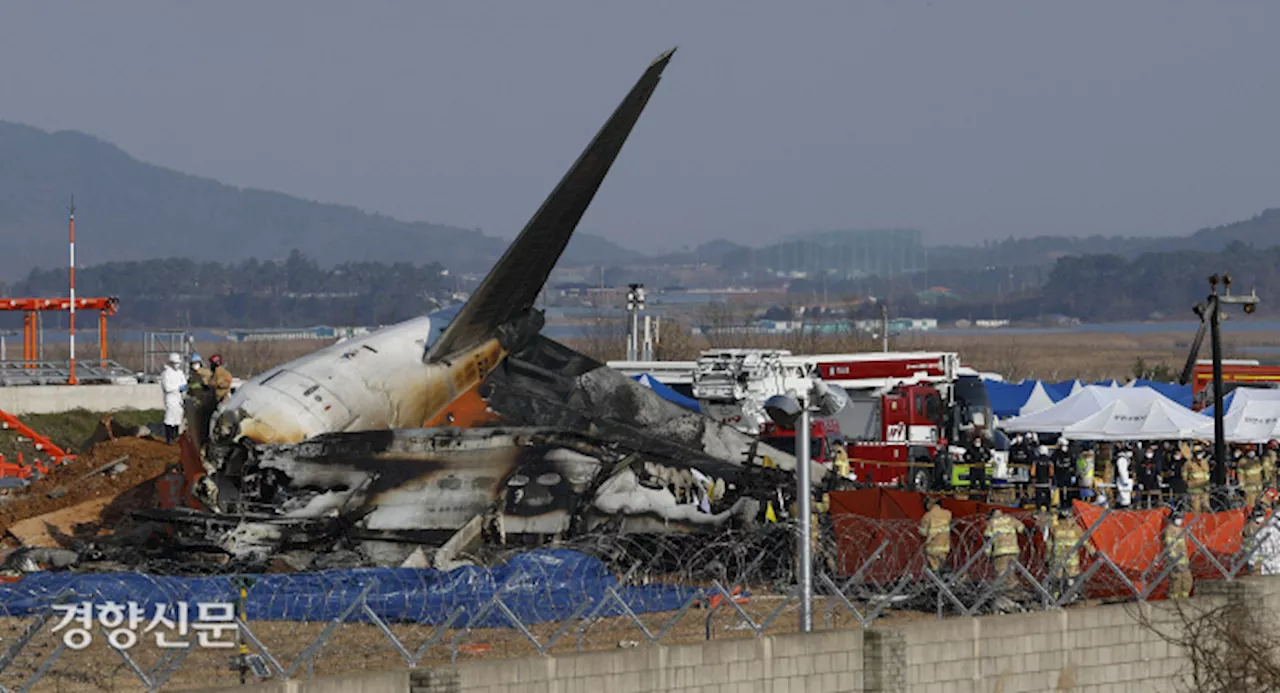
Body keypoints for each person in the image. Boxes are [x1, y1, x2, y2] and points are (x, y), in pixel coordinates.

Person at [1048, 505, 1096, 600]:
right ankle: (1072, 596)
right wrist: (1094, 553)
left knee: (1057, 580)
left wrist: (1047, 558)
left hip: (1058, 560)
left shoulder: (1055, 529)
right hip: (1072, 561)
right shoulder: (1076, 529)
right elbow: (1085, 542)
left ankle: (1055, 597)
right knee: (1072, 580)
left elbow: (1049, 545)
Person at [984, 508, 1026, 587]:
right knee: (1011, 572)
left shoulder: (992, 522)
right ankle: (1015, 589)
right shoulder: (1011, 520)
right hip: (1014, 550)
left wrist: (987, 552)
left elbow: (988, 539)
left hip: (1000, 552)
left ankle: (1007, 592)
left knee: (1001, 573)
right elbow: (1023, 529)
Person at [918, 496, 952, 573]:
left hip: (932, 548)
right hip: (945, 546)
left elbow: (923, 533)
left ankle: (936, 581)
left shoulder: (927, 516)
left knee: (934, 569)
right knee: (942, 567)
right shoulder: (947, 514)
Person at [1163, 510, 1192, 599]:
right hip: (1174, 560)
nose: (1180, 520)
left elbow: (1183, 546)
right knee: (1176, 580)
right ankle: (1174, 599)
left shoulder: (1180, 530)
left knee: (1187, 579)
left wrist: (1186, 560)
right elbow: (1169, 546)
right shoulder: (1169, 530)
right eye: (1178, 518)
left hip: (1183, 559)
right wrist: (1174, 560)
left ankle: (1184, 596)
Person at [159, 352, 188, 445]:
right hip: (170, 398)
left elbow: (184, 383)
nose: (177, 365)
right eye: (175, 363)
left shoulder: (180, 373)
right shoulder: (166, 373)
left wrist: (183, 389)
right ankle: (169, 438)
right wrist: (178, 387)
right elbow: (167, 387)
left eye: (178, 363)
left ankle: (176, 436)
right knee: (170, 417)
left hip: (179, 398)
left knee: (178, 416)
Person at [1184, 446, 1211, 513]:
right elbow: (1184, 476)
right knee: (1196, 509)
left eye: (1201, 453)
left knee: (1206, 508)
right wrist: (1189, 484)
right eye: (1198, 453)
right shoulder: (1189, 463)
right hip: (1194, 491)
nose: (1199, 455)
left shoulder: (1205, 463)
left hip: (1204, 490)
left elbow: (1207, 475)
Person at [1052, 438, 1076, 504]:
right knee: (1061, 490)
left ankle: (1068, 502)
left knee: (1068, 489)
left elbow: (1074, 463)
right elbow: (1053, 462)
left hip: (1067, 474)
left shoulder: (1069, 453)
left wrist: (1073, 473)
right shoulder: (1057, 453)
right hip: (1060, 475)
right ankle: (1063, 502)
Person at [1032, 445, 1053, 510]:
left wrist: (1033, 482)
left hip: (1038, 483)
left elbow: (1032, 473)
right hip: (1046, 483)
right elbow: (1051, 473)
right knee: (1048, 498)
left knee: (1038, 499)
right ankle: (1048, 509)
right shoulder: (1049, 462)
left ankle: (1038, 510)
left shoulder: (1035, 462)